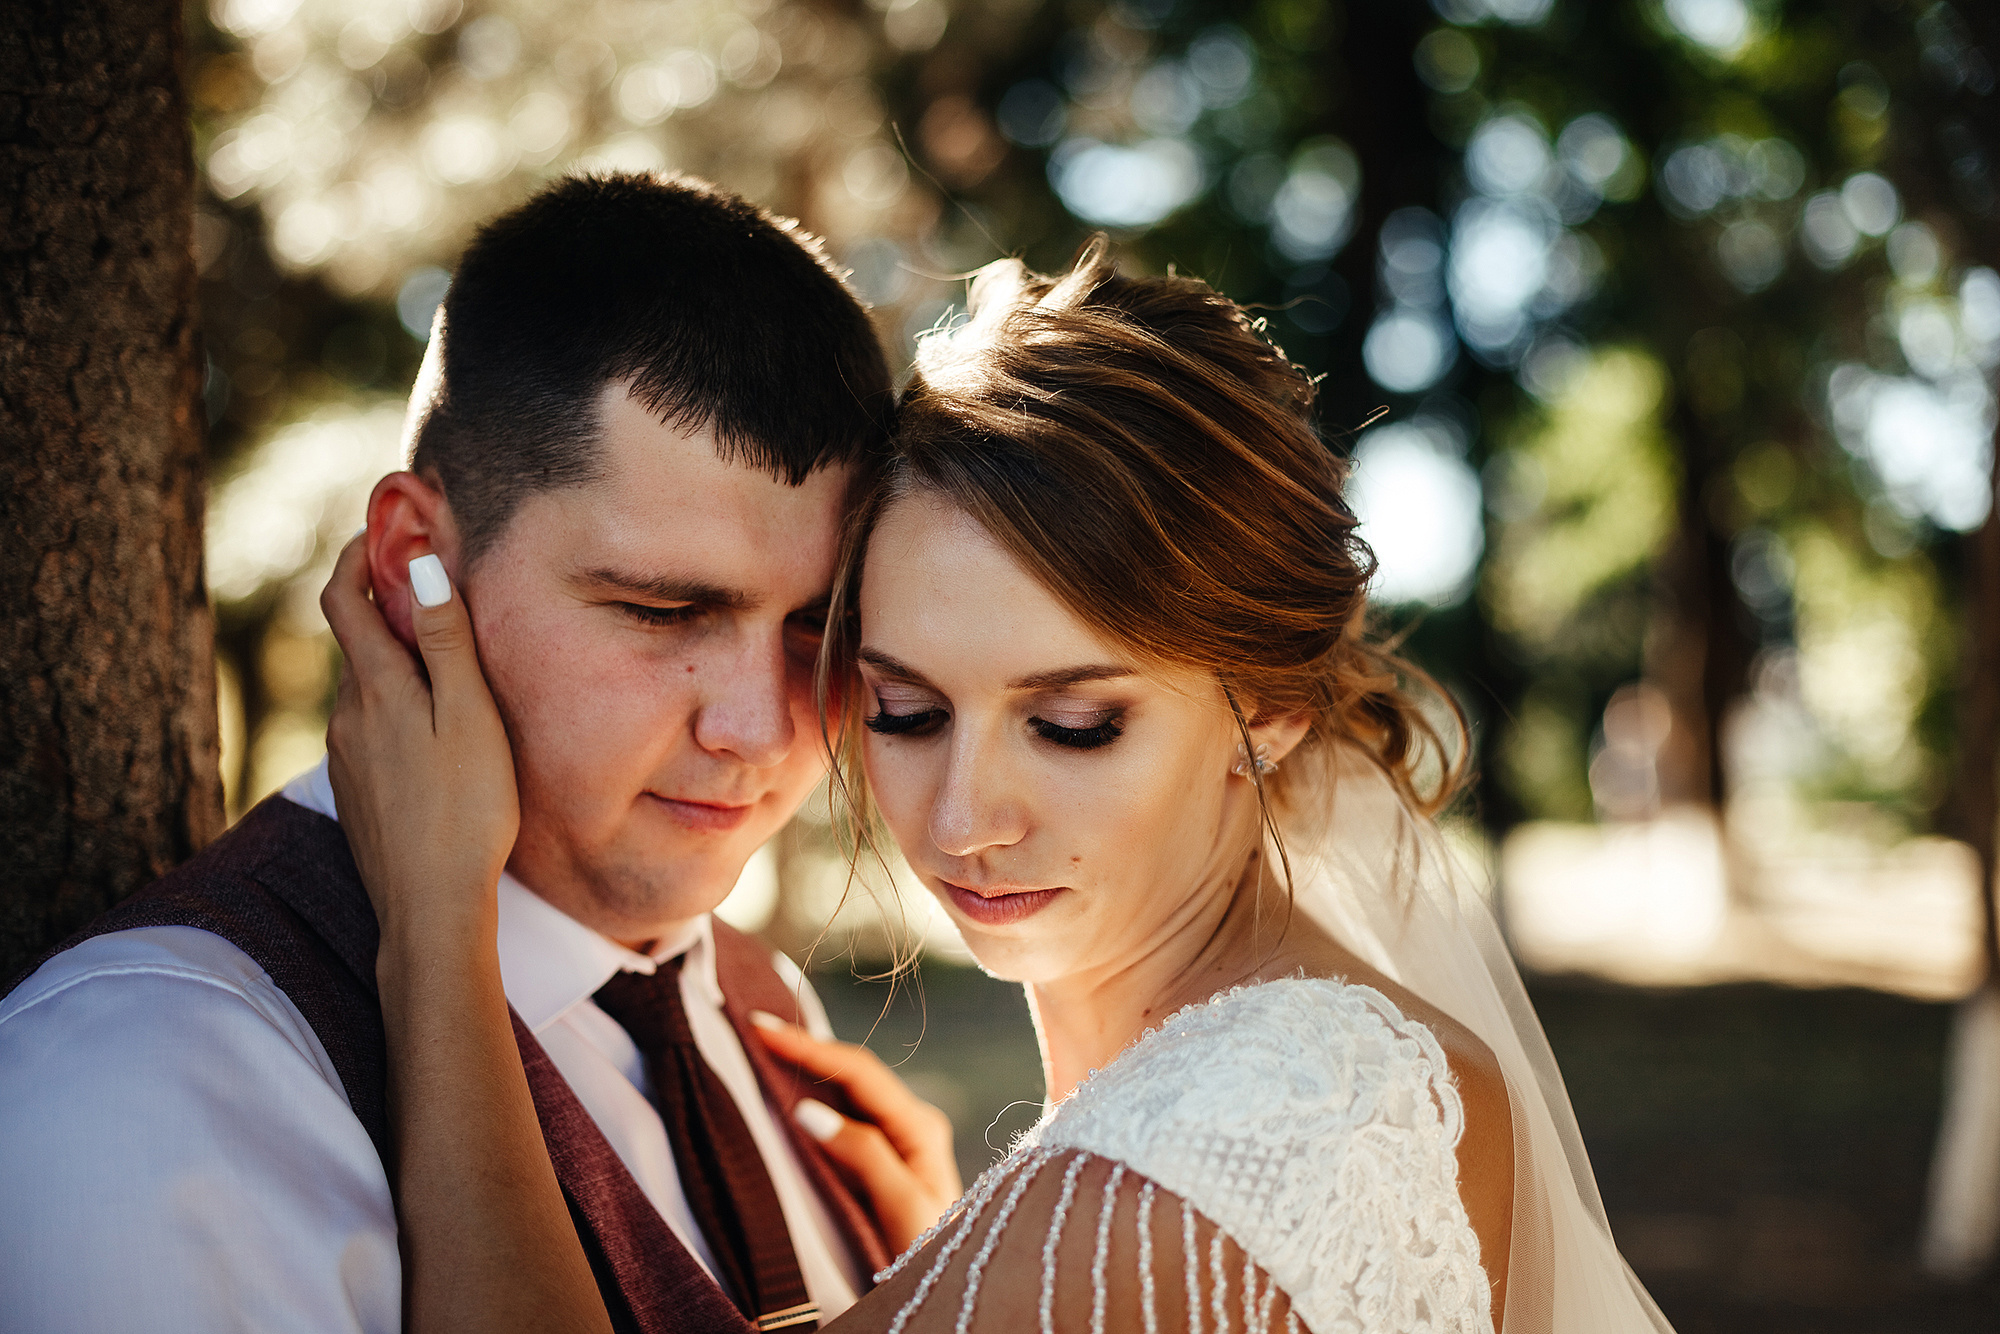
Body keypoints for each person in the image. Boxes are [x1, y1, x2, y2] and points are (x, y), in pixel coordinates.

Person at [320, 240, 1678, 1333]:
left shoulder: (1235, 1148)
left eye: (1076, 723)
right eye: (904, 708)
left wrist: (437, 923)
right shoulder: (1394, 1078)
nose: (963, 818)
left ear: (1262, 710)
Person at [0, 172, 941, 1334]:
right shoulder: (149, 1080)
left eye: (817, 625)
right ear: (413, 560)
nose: (760, 725)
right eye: (658, 610)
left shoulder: (761, 1013)